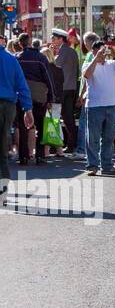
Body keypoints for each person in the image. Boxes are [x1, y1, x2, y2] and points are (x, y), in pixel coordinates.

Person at [82, 38, 115, 176]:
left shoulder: (112, 64)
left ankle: (107, 166)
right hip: (95, 106)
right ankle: (92, 166)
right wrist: (96, 59)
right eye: (100, 51)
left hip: (111, 106)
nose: (103, 54)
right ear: (93, 51)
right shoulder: (88, 64)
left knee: (109, 138)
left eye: (104, 51)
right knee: (93, 138)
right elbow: (87, 75)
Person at [0, 42, 36, 207]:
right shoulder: (11, 59)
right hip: (8, 106)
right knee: (2, 150)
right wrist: (27, 109)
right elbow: (22, 86)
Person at [16, 33, 57, 165]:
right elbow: (48, 78)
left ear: (20, 44)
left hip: (21, 96)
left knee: (23, 127)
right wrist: (51, 97)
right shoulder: (40, 58)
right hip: (39, 96)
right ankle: (39, 155)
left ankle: (23, 156)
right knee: (39, 126)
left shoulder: (17, 58)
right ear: (30, 42)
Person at [49, 29, 81, 156]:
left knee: (59, 117)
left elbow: (54, 65)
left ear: (60, 39)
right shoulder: (72, 51)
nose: (52, 41)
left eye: (54, 39)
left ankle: (60, 145)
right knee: (68, 118)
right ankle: (71, 144)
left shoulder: (63, 51)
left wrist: (51, 53)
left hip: (63, 89)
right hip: (71, 87)